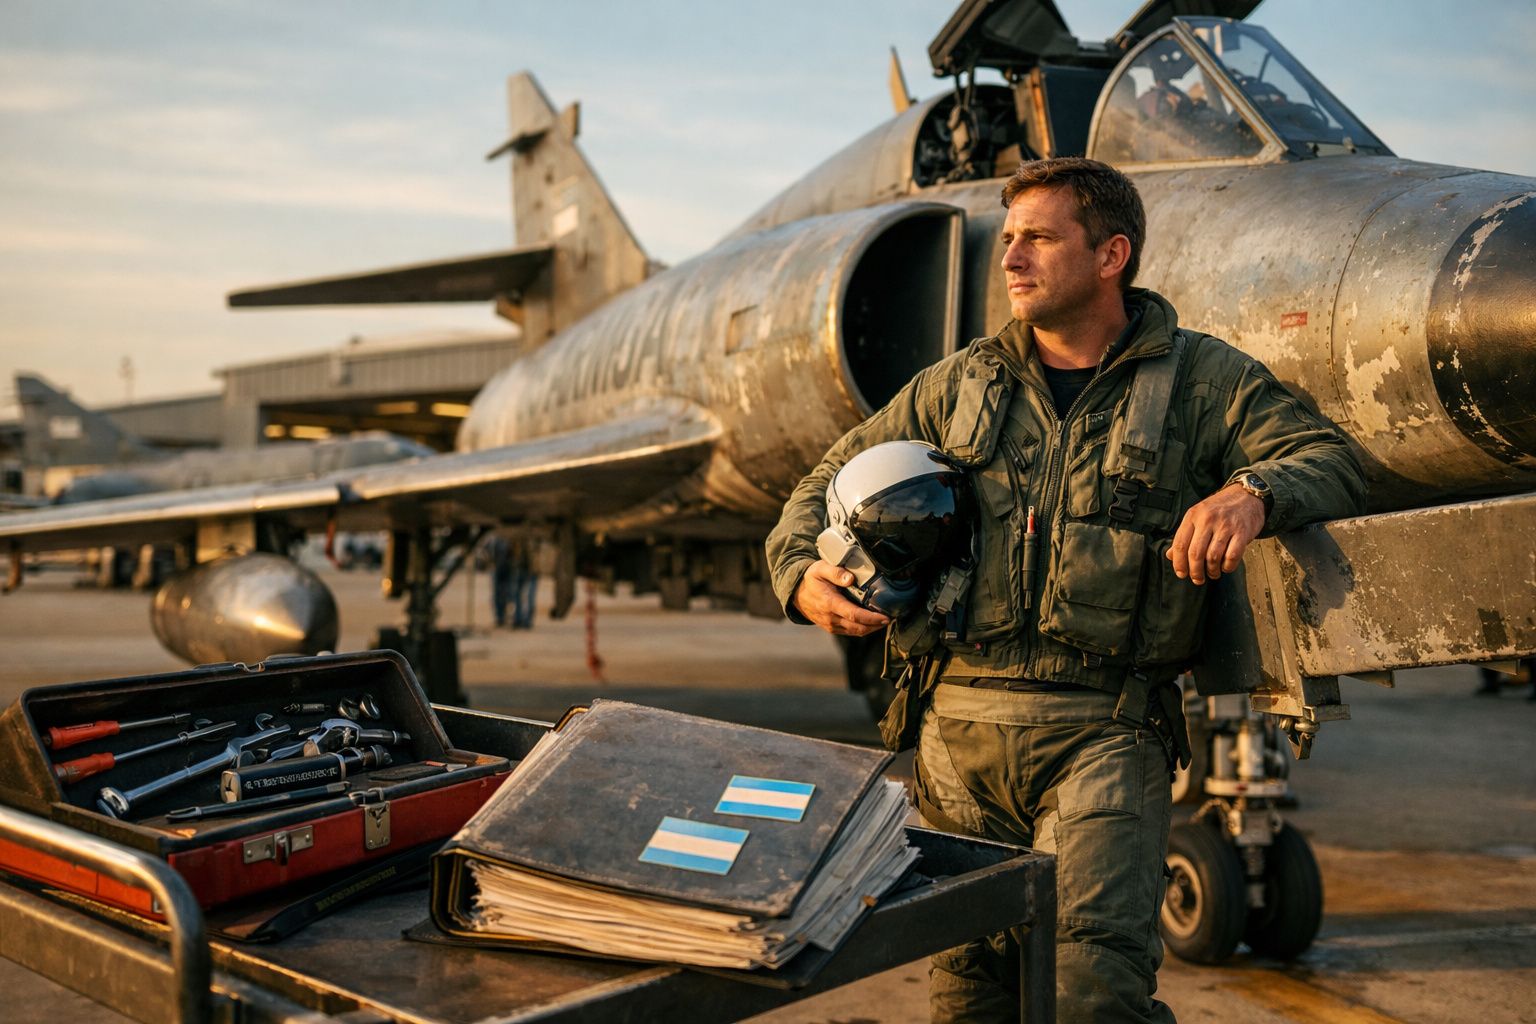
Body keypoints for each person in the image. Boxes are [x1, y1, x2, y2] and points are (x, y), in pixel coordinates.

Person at [765, 157, 1366, 1022]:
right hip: (954, 735)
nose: (1010, 257)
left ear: (1111, 254)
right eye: (1009, 237)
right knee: (969, 998)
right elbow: (824, 479)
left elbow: (1332, 457)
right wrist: (800, 576)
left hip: (1104, 733)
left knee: (1092, 994)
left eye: (1038, 238)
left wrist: (1253, 493)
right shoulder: (959, 384)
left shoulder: (1201, 381)